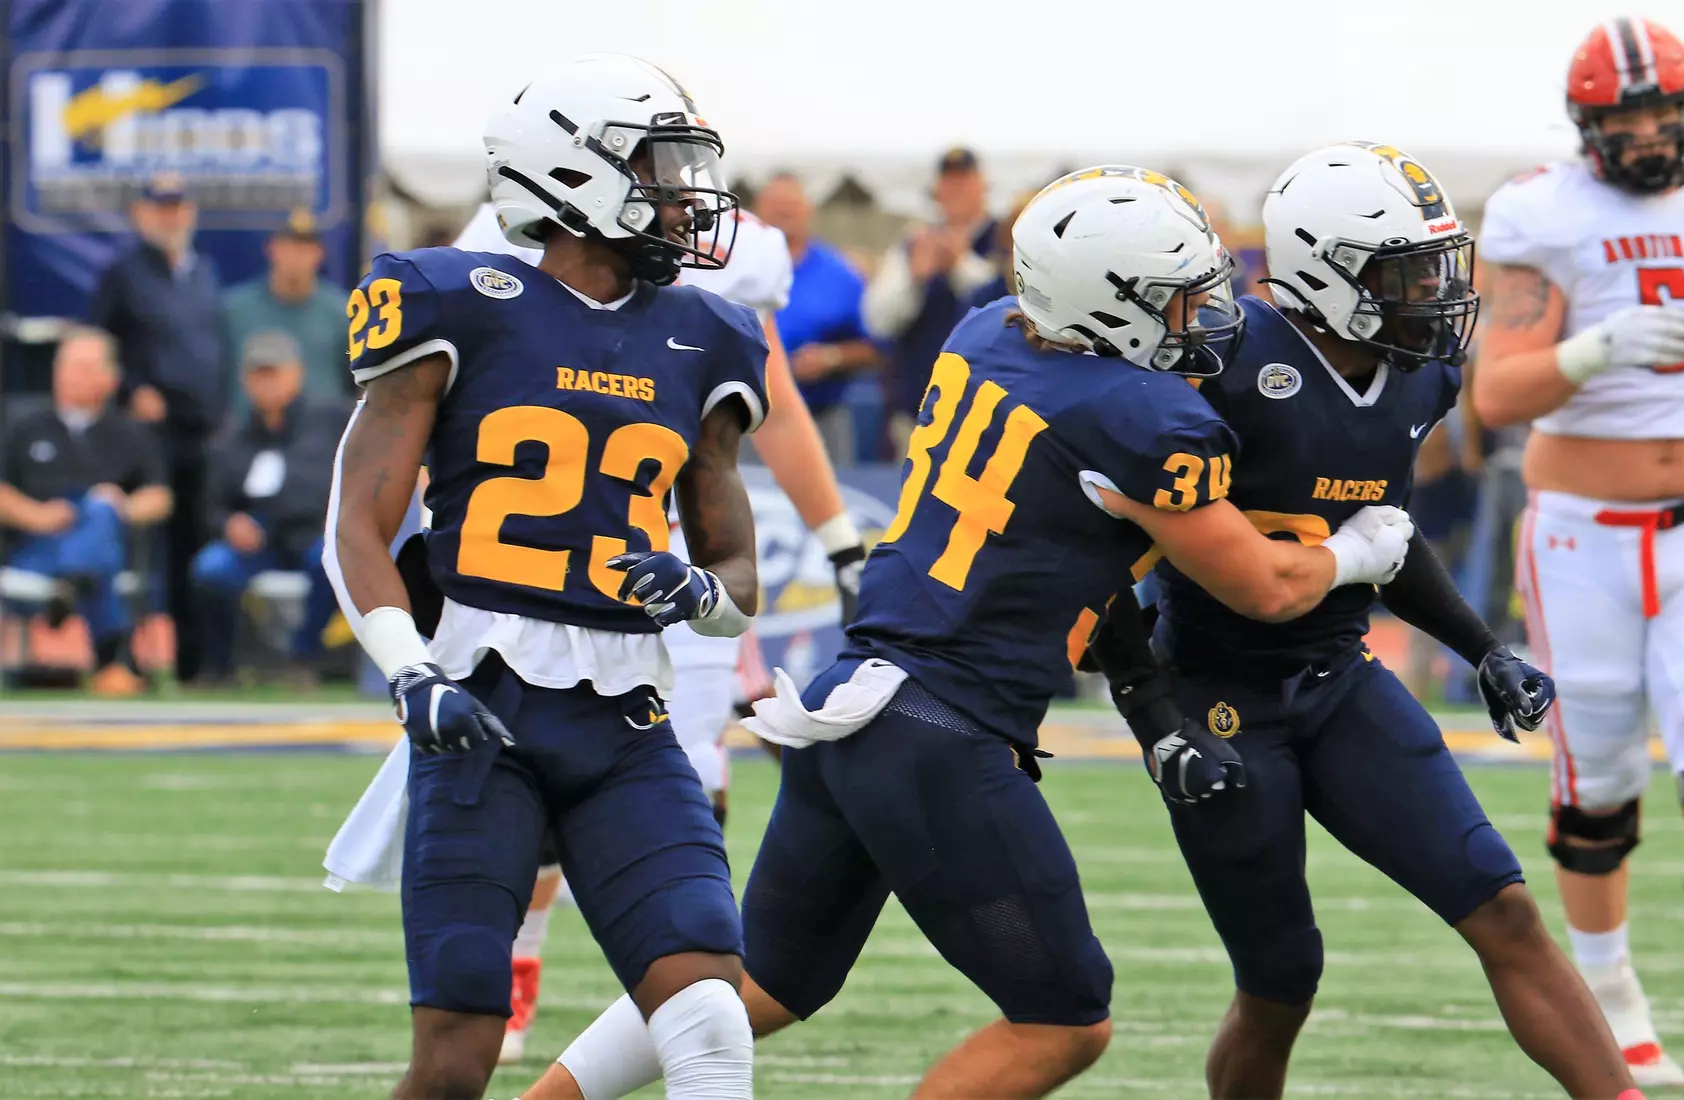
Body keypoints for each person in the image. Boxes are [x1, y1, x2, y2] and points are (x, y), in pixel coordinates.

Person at [517, 165, 1418, 1100]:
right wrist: (1361, 550)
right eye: (1179, 300)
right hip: (940, 732)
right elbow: (1265, 587)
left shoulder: (987, 332)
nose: (1206, 319)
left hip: (855, 696)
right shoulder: (1141, 415)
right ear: (1109, 305)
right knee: (1065, 1018)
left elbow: (1081, 549)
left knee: (760, 982)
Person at [1074, 142, 1638, 1100]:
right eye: (1406, 271)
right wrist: (1156, 721)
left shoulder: (1418, 377)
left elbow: (1383, 532)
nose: (1434, 291)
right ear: (1320, 270)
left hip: (1339, 679)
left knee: (1503, 909)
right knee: (1281, 979)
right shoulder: (1216, 361)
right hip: (1220, 702)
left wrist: (1482, 647)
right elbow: (1100, 560)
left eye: (1436, 266)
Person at [322, 54, 768, 1100]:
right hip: (481, 703)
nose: (680, 194)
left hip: (629, 717)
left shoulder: (705, 334)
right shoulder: (451, 299)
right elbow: (360, 519)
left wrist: (706, 596)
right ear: (575, 174)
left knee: (708, 1013)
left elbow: (736, 568)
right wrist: (409, 671)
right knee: (456, 1059)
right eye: (658, 167)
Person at [449, 122, 870, 1071]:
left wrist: (837, 534)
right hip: (530, 576)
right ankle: (519, 957)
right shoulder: (496, 246)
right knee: (532, 779)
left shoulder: (725, 265)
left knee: (691, 776)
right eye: (657, 162)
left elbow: (775, 405)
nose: (687, 189)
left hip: (675, 563)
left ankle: (666, 990)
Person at [1470, 18, 1684, 1090]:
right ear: (1589, 127)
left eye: (1666, 111)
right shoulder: (1541, 212)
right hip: (1581, 533)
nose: (1653, 132)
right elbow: (1497, 391)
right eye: (1629, 117)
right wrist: (1592, 349)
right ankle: (1612, 990)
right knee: (1600, 780)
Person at [89, 171, 230, 682]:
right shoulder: (123, 273)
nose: (171, 216)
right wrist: (131, 390)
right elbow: (99, 345)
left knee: (197, 541)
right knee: (149, 547)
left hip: (201, 431)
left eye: (178, 206)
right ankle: (134, 659)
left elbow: (217, 348)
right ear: (142, 214)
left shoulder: (202, 272)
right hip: (150, 432)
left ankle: (196, 663)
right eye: (161, 207)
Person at [0, 327, 171, 694]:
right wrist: (38, 515)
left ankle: (73, 583)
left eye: (83, 367)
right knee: (98, 554)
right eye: (66, 365)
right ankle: (110, 659)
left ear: (111, 378)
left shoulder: (130, 433)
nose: (70, 375)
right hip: (38, 544)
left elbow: (159, 496)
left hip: (105, 540)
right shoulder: (22, 425)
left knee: (100, 511)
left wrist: (122, 504)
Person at [188, 331, 345, 683]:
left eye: (275, 372)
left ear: (297, 374)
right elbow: (211, 505)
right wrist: (229, 524)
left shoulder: (329, 421)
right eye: (258, 373)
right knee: (211, 568)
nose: (267, 383)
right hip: (257, 540)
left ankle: (303, 658)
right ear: (245, 380)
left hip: (312, 532)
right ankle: (222, 665)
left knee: (331, 560)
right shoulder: (231, 438)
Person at [862, 147, 999, 451]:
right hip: (919, 408)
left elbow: (1006, 301)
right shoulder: (912, 244)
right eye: (949, 183)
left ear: (983, 185)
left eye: (965, 181)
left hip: (990, 412)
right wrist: (916, 278)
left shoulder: (1003, 238)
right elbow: (879, 322)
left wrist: (959, 265)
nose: (956, 191)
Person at [751, 173, 882, 463]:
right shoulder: (732, 267)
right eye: (775, 203)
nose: (783, 210)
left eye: (791, 203)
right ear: (758, 208)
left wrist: (832, 357)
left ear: (808, 209)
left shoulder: (841, 274)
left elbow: (876, 348)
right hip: (745, 425)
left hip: (819, 420)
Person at [222, 208, 355, 409]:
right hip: (250, 432)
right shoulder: (235, 310)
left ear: (320, 254)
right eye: (288, 247)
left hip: (321, 431)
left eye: (304, 248)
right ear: (271, 249)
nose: (295, 257)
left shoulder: (341, 313)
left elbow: (355, 382)